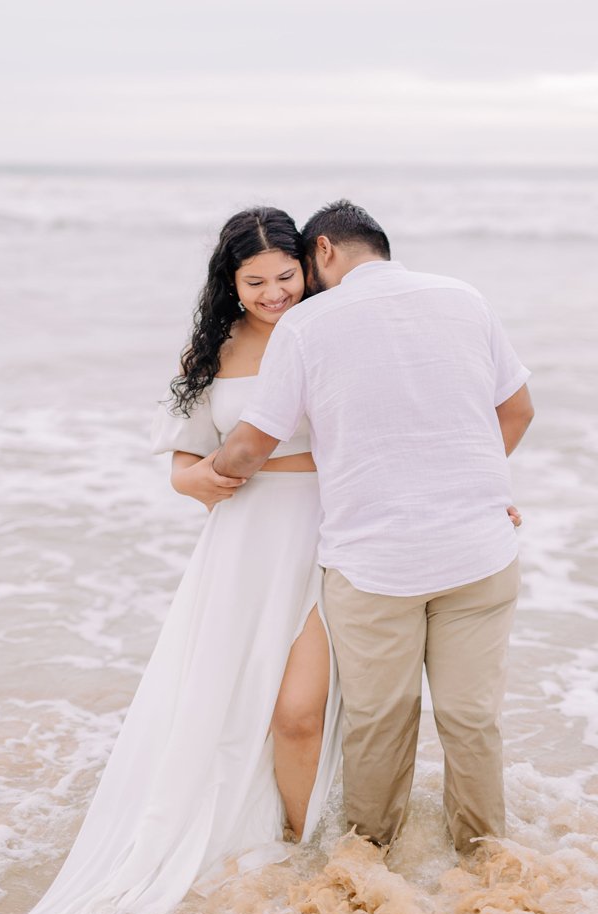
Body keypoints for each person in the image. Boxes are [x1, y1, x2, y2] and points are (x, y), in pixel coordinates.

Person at [7, 207, 342, 914]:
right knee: (228, 701)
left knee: (299, 712)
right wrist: (201, 479)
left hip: (332, 533)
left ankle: (307, 842)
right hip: (244, 542)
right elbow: (184, 466)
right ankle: (277, 845)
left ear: (307, 268)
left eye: (286, 276)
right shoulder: (213, 349)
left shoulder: (335, 330)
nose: (274, 293)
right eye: (255, 282)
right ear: (231, 284)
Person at [212, 200, 534, 854]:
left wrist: (200, 469)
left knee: (380, 724)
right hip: (479, 553)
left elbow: (249, 448)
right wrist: (473, 486)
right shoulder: (464, 298)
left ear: (324, 250)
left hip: (376, 566)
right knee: (472, 720)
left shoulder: (308, 325)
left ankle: (367, 864)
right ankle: (484, 862)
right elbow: (518, 410)